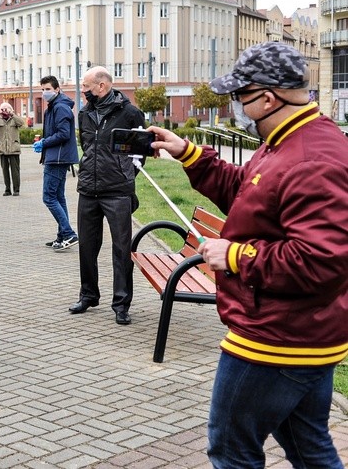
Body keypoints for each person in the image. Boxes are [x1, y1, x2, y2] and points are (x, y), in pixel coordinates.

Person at [149, 42, 348, 467]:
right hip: (300, 332)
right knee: (310, 448)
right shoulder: (287, 141)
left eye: (240, 96)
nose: (237, 105)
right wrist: (189, 154)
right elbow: (248, 191)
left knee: (231, 450)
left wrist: (236, 256)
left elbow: (321, 261)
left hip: (276, 340)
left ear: (268, 99)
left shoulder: (311, 159)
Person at [69, 66, 145, 325]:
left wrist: (125, 175)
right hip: (88, 190)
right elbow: (87, 146)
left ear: (101, 86)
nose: (82, 90)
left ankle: (121, 304)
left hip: (117, 192)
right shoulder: (85, 113)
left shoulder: (130, 113)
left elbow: (140, 153)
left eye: (86, 86)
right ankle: (88, 295)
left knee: (121, 250)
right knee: (87, 247)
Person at [33, 75, 78, 250]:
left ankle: (69, 234)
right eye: (42, 89)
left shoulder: (60, 107)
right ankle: (62, 236)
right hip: (56, 156)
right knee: (58, 197)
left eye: (48, 89)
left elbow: (63, 134)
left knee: (49, 197)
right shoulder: (54, 107)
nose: (45, 92)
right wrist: (44, 143)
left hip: (58, 158)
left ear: (57, 89)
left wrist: (44, 142)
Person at [0, 102, 24, 196]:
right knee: (5, 170)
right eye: (2, 109)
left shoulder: (14, 118)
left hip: (14, 148)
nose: (4, 111)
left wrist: (12, 114)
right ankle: (7, 189)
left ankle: (16, 190)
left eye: (6, 109)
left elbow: (21, 123)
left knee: (15, 171)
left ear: (11, 109)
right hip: (3, 149)